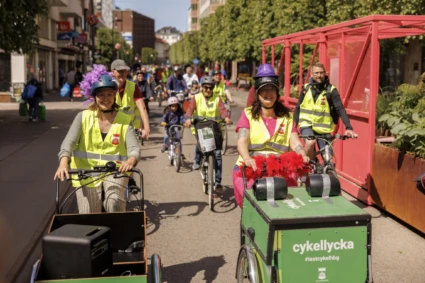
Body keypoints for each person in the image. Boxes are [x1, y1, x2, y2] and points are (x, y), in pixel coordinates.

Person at [54, 74, 141, 213]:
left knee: (114, 203)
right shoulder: (83, 117)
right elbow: (68, 143)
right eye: (101, 95)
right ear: (94, 96)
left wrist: (131, 161)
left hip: (116, 172)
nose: (105, 99)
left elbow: (134, 148)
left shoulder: (124, 119)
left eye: (109, 94)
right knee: (89, 215)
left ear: (115, 96)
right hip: (86, 173)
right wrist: (63, 163)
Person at [232, 64, 309, 207]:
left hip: (280, 169)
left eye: (272, 89)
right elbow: (242, 140)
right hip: (253, 167)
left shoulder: (287, 116)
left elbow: (294, 141)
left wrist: (302, 153)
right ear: (258, 93)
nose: (268, 93)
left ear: (277, 92)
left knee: (292, 201)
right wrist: (247, 158)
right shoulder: (248, 115)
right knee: (252, 202)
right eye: (264, 90)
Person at [293, 62, 358, 160]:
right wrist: (294, 128)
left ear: (325, 73)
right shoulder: (306, 88)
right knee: (310, 143)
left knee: (328, 158)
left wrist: (348, 127)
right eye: (316, 73)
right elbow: (298, 107)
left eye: (321, 73)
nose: (319, 75)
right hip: (307, 124)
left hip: (323, 128)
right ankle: (309, 164)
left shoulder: (331, 90)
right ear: (311, 74)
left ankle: (328, 170)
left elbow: (340, 108)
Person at [184, 76, 232, 193]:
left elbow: (222, 110)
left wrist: (226, 117)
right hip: (200, 129)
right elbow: (190, 110)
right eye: (206, 87)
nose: (208, 90)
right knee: (201, 147)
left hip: (215, 130)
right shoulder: (196, 98)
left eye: (210, 88)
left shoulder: (217, 98)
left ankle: (218, 182)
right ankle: (198, 160)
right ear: (202, 88)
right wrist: (188, 119)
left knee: (218, 155)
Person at [111, 59, 150, 139]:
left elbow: (142, 108)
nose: (123, 74)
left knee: (134, 151)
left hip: (130, 129)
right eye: (120, 71)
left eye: (125, 71)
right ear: (113, 72)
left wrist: (146, 127)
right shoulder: (107, 87)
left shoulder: (133, 87)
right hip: (111, 128)